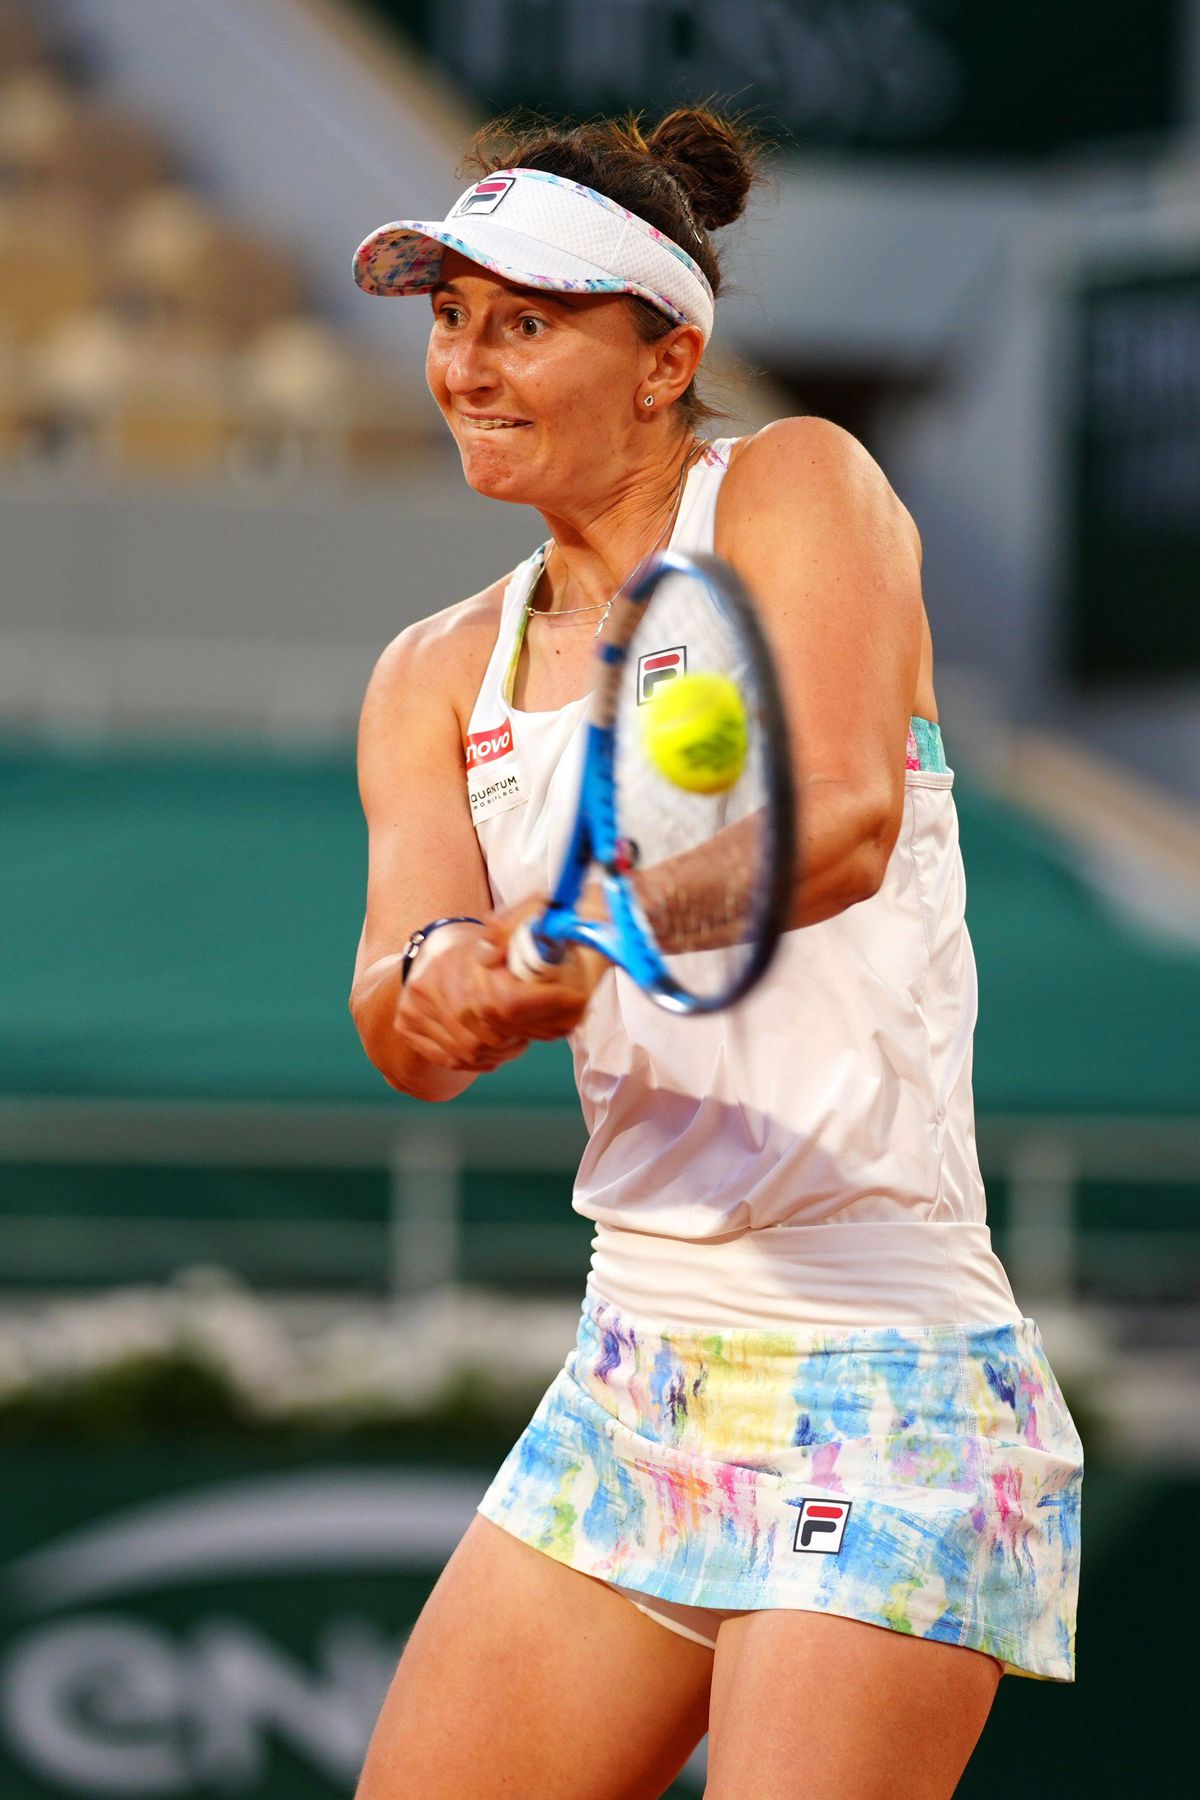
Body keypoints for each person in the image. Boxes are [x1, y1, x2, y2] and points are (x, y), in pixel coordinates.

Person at [348, 111, 1082, 1800]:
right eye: (449, 316)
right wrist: (449, 988)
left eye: (525, 323)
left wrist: (577, 940)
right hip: (632, 1375)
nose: (466, 363)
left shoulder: (797, 485)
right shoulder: (425, 674)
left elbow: (838, 822)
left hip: (885, 1381)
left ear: (667, 357)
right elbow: (404, 1011)